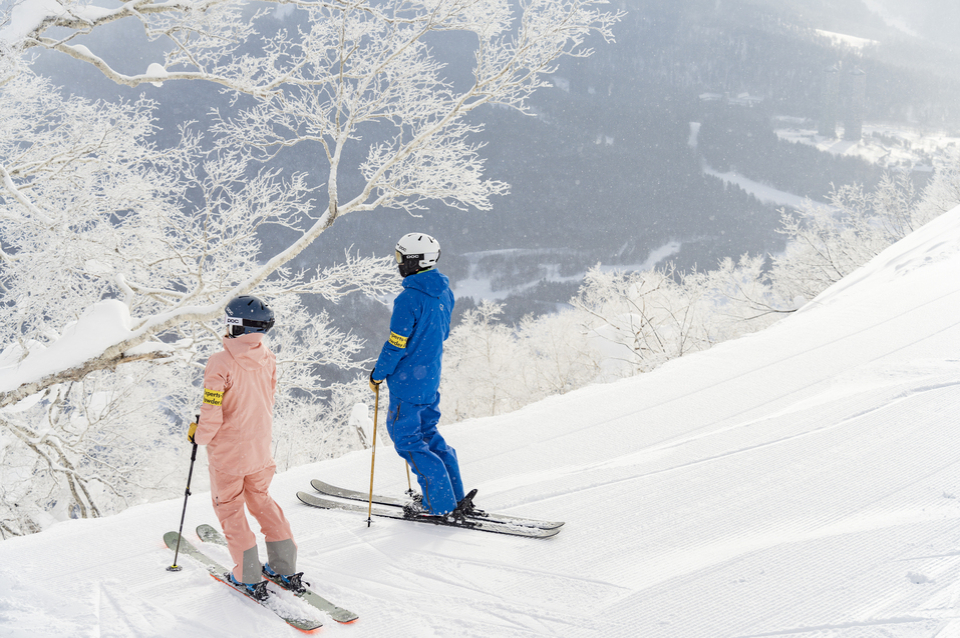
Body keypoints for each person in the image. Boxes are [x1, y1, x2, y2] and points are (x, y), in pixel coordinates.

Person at [187, 295, 302, 601]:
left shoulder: (220, 362)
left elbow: (212, 411)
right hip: (259, 448)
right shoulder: (267, 357)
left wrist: (198, 436)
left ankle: (248, 575)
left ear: (237, 326)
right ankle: (284, 566)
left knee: (230, 508)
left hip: (229, 453)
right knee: (261, 501)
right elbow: (268, 398)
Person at [370, 233, 479, 522]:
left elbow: (396, 344)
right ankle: (453, 495)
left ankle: (439, 505)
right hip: (430, 377)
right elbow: (443, 333)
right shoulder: (444, 292)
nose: (397, 263)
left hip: (407, 382)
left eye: (400, 257)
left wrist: (378, 374)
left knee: (407, 438)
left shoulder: (408, 298)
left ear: (413, 261)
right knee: (429, 434)